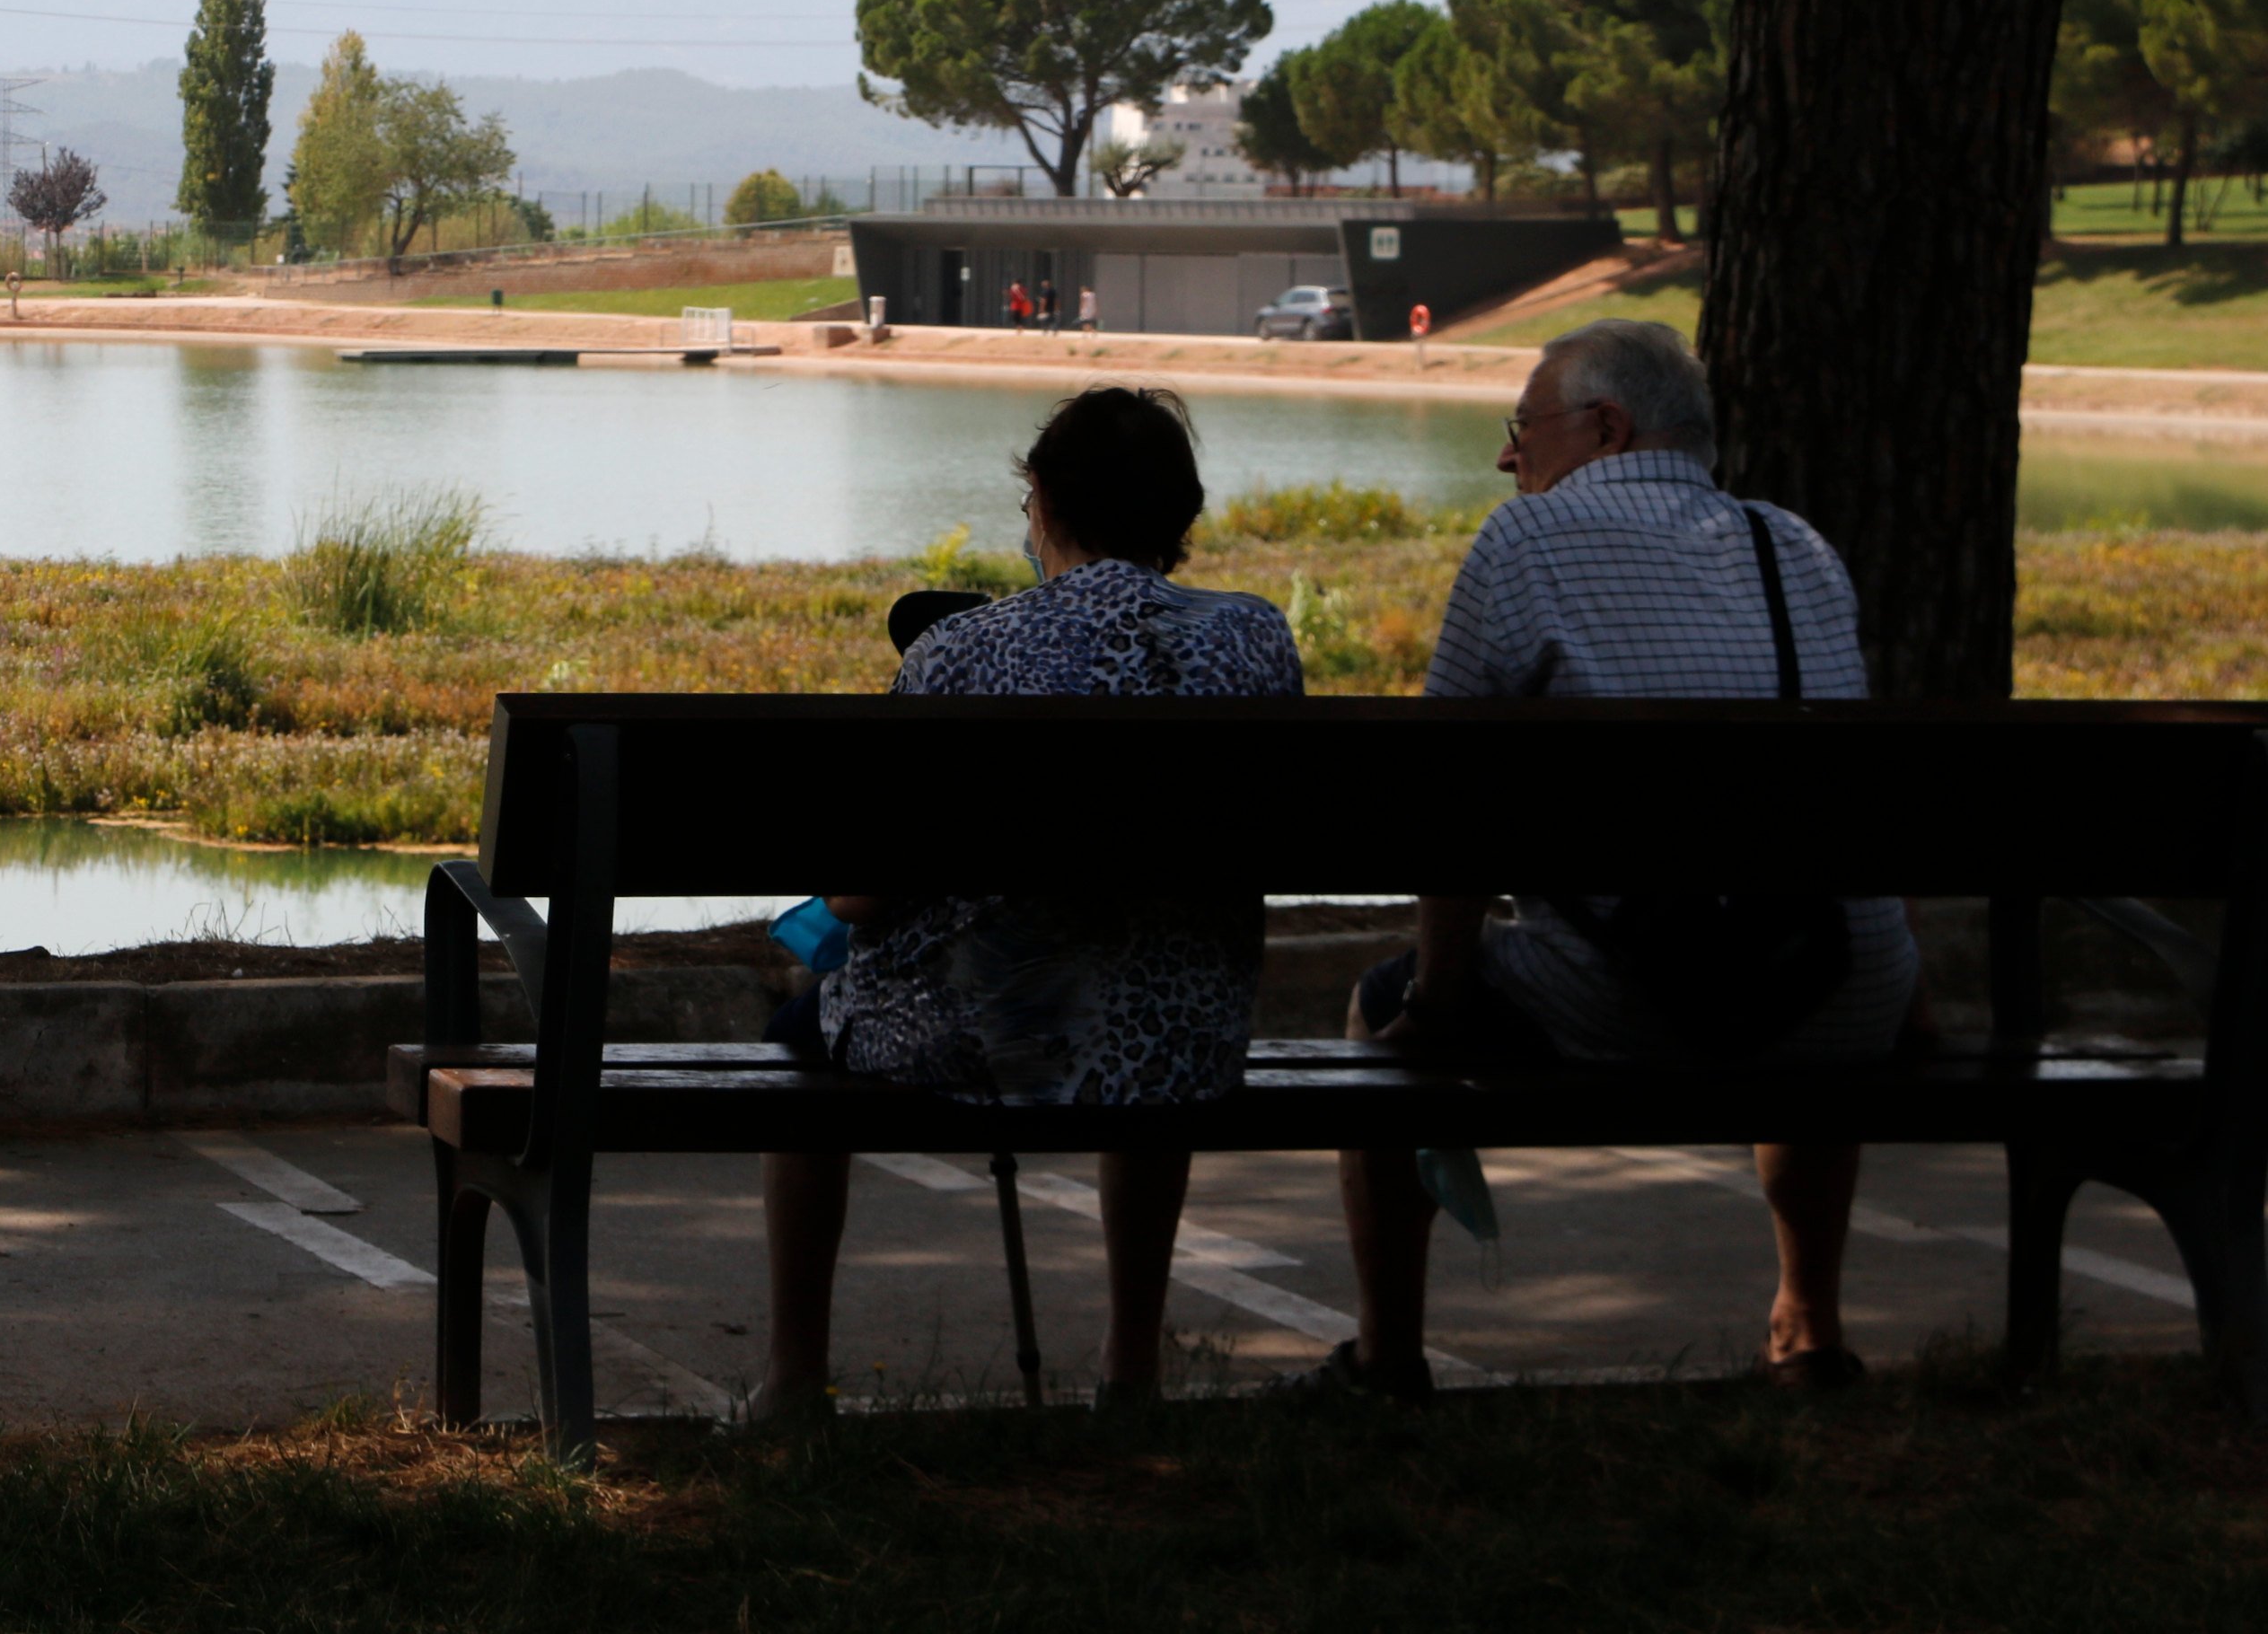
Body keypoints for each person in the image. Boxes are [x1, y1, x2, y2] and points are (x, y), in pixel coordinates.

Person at [1323, 318, 1922, 1399]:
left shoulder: (1525, 543)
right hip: (1841, 989)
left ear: (1605, 426)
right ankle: (1809, 1331)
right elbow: (1857, 801)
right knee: (1783, 951)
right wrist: (1908, 997)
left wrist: (1441, 996)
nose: (1510, 457)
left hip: (1642, 1000)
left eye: (1523, 427)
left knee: (1384, 1007)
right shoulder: (1795, 545)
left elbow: (1439, 797)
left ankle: (1385, 1358)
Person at [763, 386, 1304, 1411]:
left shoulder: (960, 653)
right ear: (1180, 518)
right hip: (1182, 1035)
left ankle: (792, 1380)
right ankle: (1130, 1370)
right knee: (1143, 976)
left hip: (982, 1039)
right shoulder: (1254, 641)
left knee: (803, 1032)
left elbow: (863, 894)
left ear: (1043, 501)